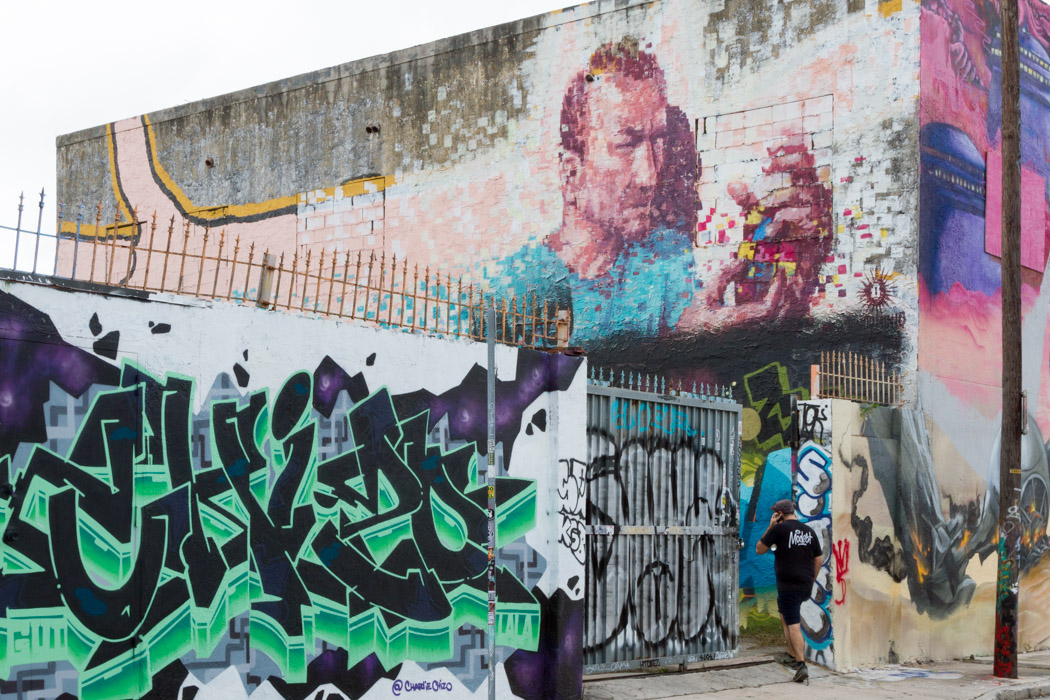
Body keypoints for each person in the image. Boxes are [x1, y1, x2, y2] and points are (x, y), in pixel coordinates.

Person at [486, 38, 699, 344]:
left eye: (658, 141)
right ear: (571, 173)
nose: (649, 176)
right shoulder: (515, 289)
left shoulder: (668, 259)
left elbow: (695, 327)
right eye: (626, 144)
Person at [756, 498, 822, 684]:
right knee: (785, 616)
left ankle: (801, 665)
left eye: (774, 513)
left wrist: (770, 526)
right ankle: (792, 655)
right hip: (805, 584)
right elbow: (818, 559)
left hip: (789, 586)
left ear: (779, 514)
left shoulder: (779, 529)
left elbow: (759, 549)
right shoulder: (808, 531)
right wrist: (811, 579)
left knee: (793, 623)